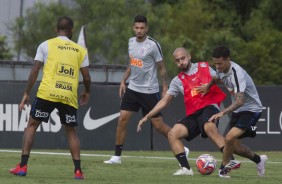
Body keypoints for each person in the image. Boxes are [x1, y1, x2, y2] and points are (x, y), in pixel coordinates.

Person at [9, 16, 91, 180]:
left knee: (31, 126)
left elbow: (35, 70)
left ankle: (23, 166)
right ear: (71, 31)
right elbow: (87, 77)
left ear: (56, 30)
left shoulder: (45, 45)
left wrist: (26, 93)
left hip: (47, 92)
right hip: (68, 94)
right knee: (71, 132)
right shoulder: (80, 50)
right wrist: (87, 91)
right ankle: (78, 171)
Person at [137, 47, 240, 175]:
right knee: (172, 134)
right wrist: (147, 116)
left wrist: (213, 86)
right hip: (194, 114)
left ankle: (230, 160)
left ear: (189, 56)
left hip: (209, 107)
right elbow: (164, 101)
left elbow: (220, 78)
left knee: (209, 128)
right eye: (177, 60)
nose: (181, 62)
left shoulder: (204, 67)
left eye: (183, 58)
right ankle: (186, 169)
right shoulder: (177, 81)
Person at [104, 15, 189, 164]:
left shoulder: (153, 45)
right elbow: (132, 63)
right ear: (133, 28)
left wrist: (164, 87)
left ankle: (182, 147)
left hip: (149, 91)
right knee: (122, 119)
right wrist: (124, 80)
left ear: (146, 29)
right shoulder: (131, 42)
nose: (139, 30)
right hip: (133, 88)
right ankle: (117, 156)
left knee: (158, 125)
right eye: (136, 28)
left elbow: (161, 67)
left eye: (142, 28)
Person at [197, 46, 267, 178]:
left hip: (251, 110)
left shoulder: (237, 73)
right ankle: (259, 160)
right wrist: (207, 86)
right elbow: (217, 78)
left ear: (228, 60)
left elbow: (240, 101)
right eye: (215, 63)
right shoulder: (221, 69)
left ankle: (223, 169)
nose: (217, 67)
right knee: (232, 146)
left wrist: (221, 113)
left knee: (228, 138)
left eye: (220, 63)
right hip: (238, 111)